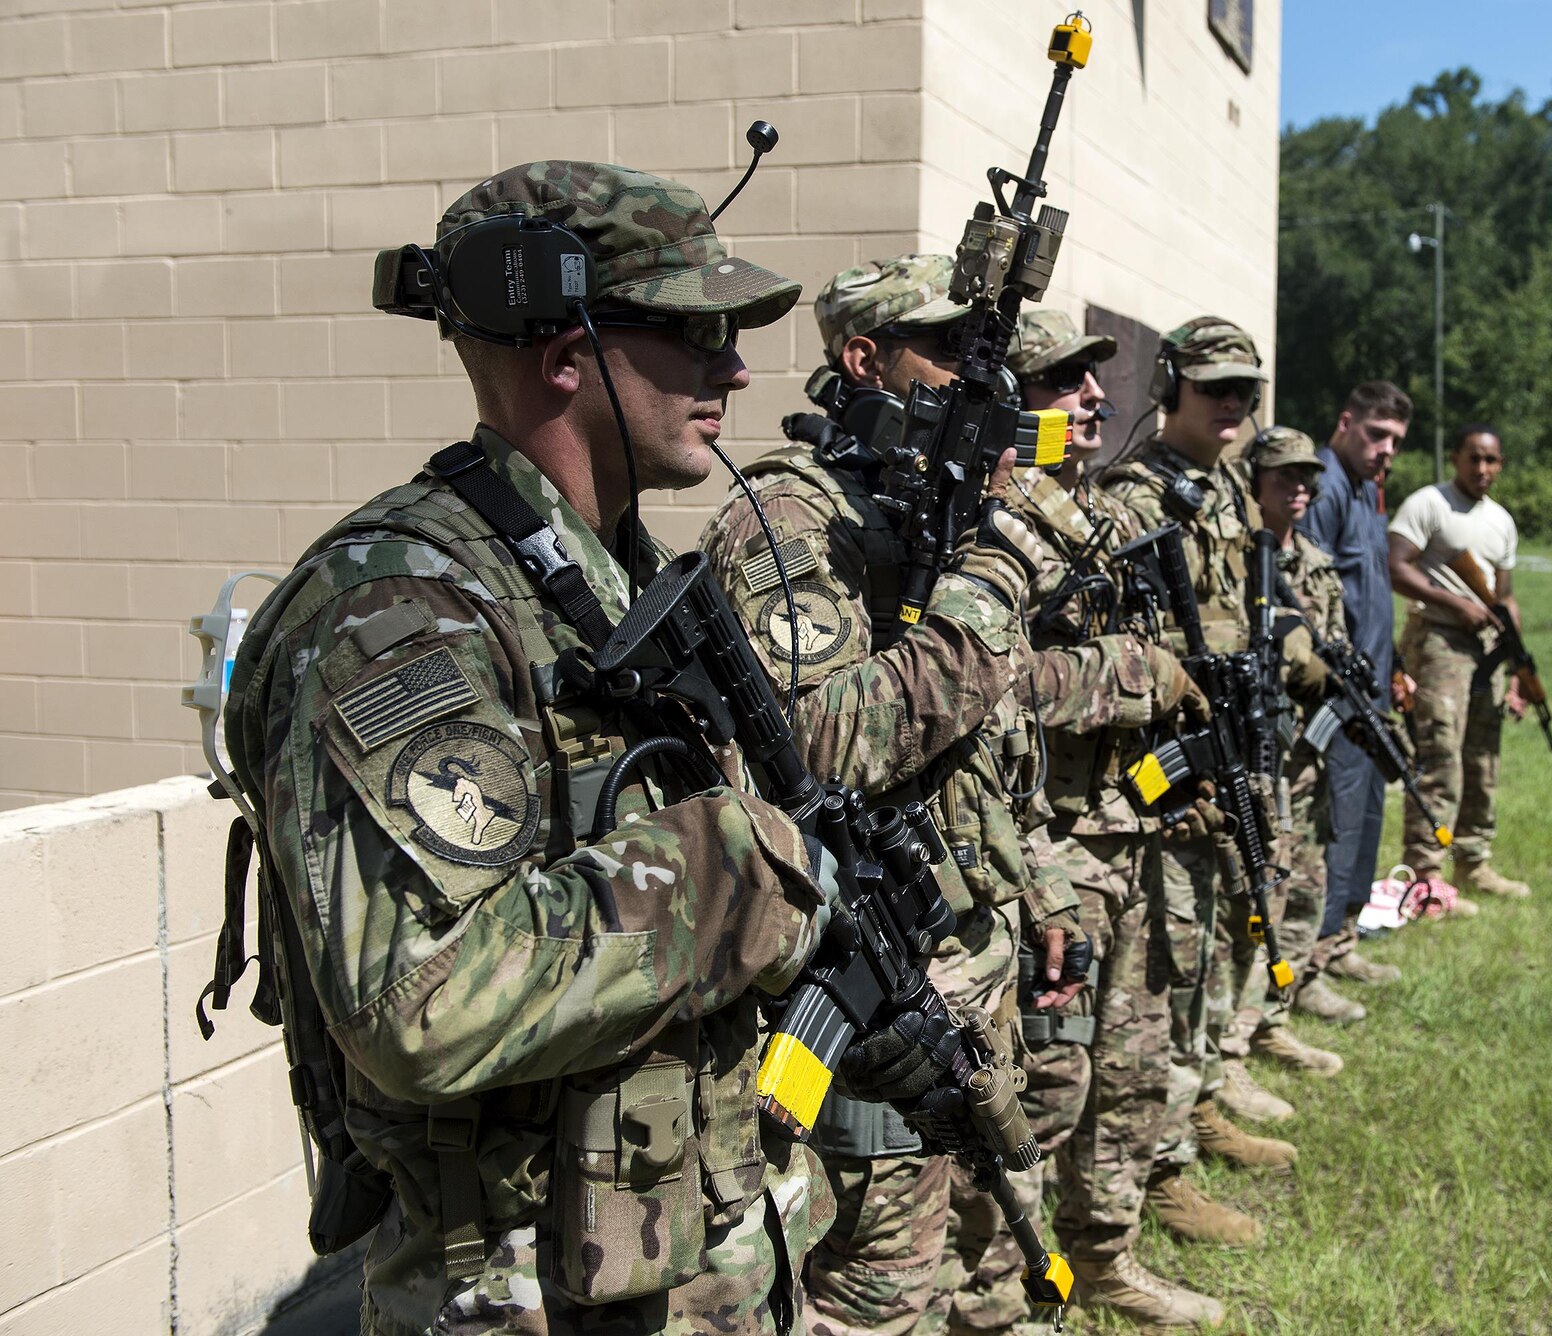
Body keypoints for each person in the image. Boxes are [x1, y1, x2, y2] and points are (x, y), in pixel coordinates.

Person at [217, 162, 840, 1336]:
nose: (736, 368)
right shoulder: (400, 610)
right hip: (520, 1293)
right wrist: (730, 873)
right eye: (698, 330)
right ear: (566, 354)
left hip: (682, 1250)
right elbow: (421, 999)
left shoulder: (621, 584)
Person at [699, 255, 1093, 1336]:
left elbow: (987, 731)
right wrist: (1004, 562)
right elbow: (825, 739)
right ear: (862, 359)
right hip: (872, 970)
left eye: (988, 354)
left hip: (969, 934)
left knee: (965, 1232)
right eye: (950, 350)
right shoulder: (787, 519)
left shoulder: (928, 513)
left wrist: (1039, 887)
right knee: (878, 1280)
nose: (982, 379)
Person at [977, 309, 1226, 1329]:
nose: (1092, 397)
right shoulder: (985, 521)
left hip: (1121, 827)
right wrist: (1138, 674)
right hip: (1043, 846)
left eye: (1093, 380)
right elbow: (990, 682)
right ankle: (1011, 1290)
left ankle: (1105, 1253)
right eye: (1061, 381)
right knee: (1048, 1076)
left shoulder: (1088, 516)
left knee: (1123, 1056)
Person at [1101, 318, 1329, 1249]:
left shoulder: (1229, 490)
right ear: (1171, 387)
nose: (1231, 405)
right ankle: (1154, 1168)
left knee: (1210, 955)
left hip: (1227, 753)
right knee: (1162, 973)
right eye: (1213, 388)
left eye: (1244, 390)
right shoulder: (1134, 497)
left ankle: (1188, 1120)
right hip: (1164, 777)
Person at [1226, 427, 1356, 1069]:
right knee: (1265, 899)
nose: (1300, 489)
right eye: (1285, 477)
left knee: (1306, 885)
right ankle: (1236, 1040)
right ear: (1255, 482)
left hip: (1311, 755)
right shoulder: (1242, 558)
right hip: (1262, 756)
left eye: (1308, 478)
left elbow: (1332, 649)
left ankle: (1277, 1013)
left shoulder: (1315, 561)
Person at [1295, 382, 1421, 1015]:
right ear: (1345, 424)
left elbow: (1371, 588)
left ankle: (1342, 940)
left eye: (1395, 441)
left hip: (1373, 692)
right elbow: (1311, 599)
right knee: (1334, 825)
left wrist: (1395, 662)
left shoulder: (1371, 491)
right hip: (1336, 698)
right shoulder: (1322, 487)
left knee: (1368, 818)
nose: (1385, 451)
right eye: (1376, 435)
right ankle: (1311, 959)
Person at [1387, 423, 1533, 898]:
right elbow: (1396, 566)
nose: (1483, 469)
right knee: (1441, 755)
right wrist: (1456, 605)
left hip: (1486, 651)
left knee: (1482, 757)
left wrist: (1518, 669)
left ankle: (1473, 862)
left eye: (1492, 460)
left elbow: (1504, 597)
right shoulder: (1429, 504)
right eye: (1474, 458)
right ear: (1456, 458)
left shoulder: (1502, 521)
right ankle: (1425, 875)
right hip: (1438, 641)